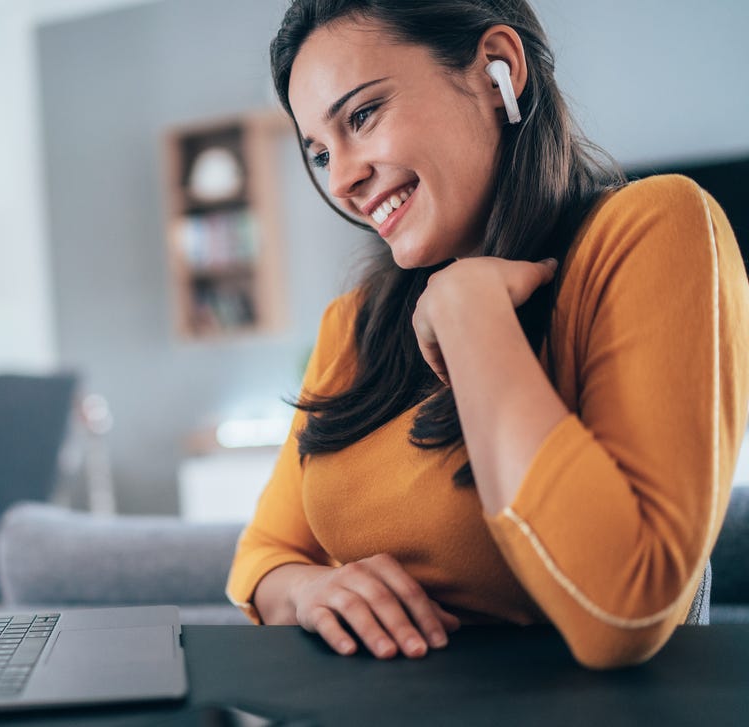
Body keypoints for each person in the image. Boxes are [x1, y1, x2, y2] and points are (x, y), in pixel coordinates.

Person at [228, 0, 749, 670]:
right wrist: (311, 588)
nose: (341, 179)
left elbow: (625, 608)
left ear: (496, 68)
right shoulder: (354, 324)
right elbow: (262, 558)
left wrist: (470, 315)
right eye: (321, 151)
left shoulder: (653, 232)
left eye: (362, 115)